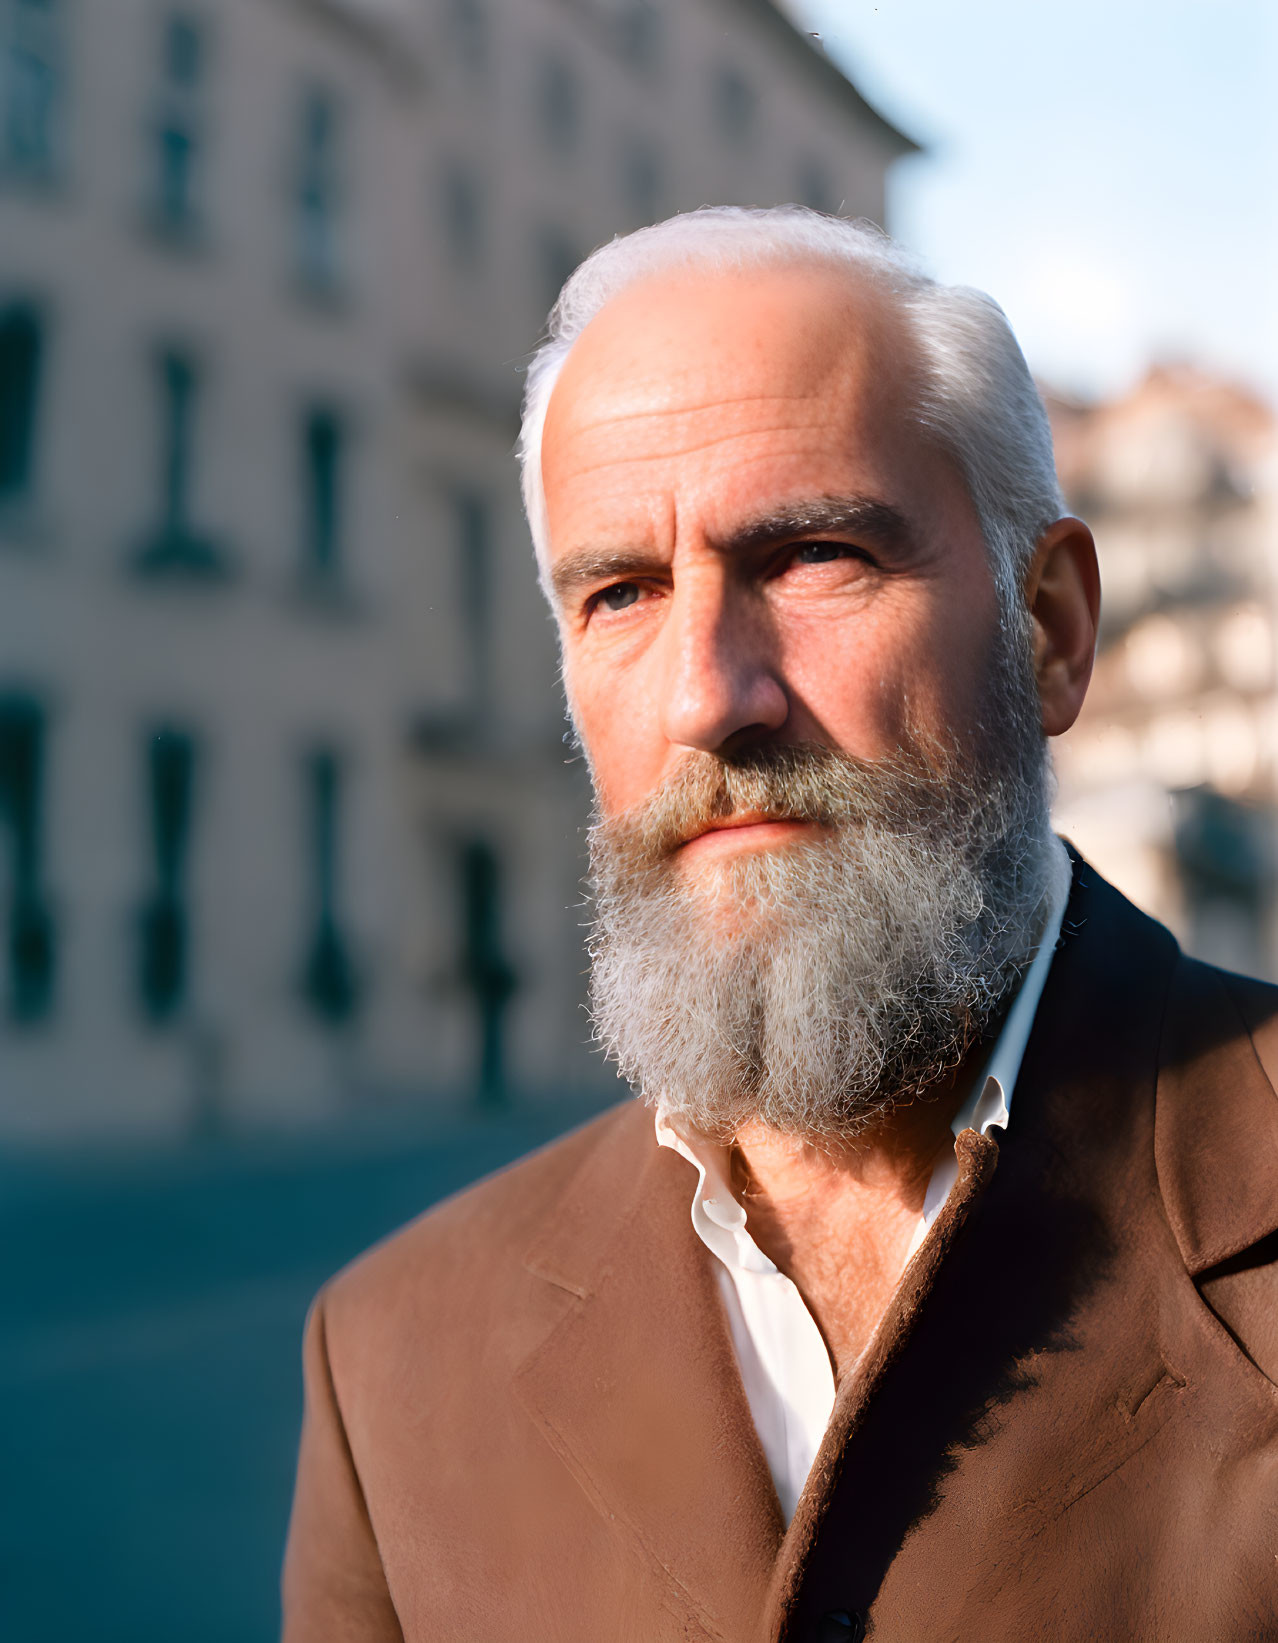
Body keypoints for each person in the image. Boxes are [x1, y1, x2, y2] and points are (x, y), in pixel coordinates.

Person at [281, 208, 1278, 1643]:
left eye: (813, 556)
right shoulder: (389, 1365)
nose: (706, 695)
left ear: (1048, 628)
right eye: (619, 593)